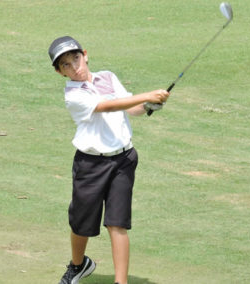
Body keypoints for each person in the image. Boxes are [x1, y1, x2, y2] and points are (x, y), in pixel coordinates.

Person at [48, 36, 169, 284]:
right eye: (66, 65)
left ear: (85, 55)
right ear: (60, 73)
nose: (75, 67)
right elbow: (108, 106)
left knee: (117, 223)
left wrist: (147, 104)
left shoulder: (108, 77)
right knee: (81, 223)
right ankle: (79, 264)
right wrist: (146, 94)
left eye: (76, 59)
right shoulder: (73, 95)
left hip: (123, 159)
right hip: (90, 164)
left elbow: (130, 108)